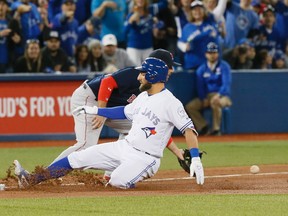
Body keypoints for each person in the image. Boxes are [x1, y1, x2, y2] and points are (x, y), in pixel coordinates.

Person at [14, 55, 204, 189]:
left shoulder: (171, 102)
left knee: (117, 182)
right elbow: (124, 111)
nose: (138, 76)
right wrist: (95, 109)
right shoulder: (144, 96)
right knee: (77, 158)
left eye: (143, 73)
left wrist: (194, 157)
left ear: (153, 76)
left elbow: (189, 129)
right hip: (125, 147)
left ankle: (123, 175)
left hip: (146, 158)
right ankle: (31, 179)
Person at [50, 49, 183, 165]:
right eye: (169, 66)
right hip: (89, 98)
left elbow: (150, 126)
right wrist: (102, 112)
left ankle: (111, 175)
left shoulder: (152, 88)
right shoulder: (135, 74)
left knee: (134, 129)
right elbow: (107, 82)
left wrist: (177, 151)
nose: (171, 69)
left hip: (107, 105)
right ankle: (45, 173)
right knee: (86, 145)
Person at [185, 42, 232, 136]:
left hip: (222, 96)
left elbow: (226, 84)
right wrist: (203, 98)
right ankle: (203, 127)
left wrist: (218, 95)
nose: (212, 55)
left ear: (218, 54)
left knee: (215, 102)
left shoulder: (224, 66)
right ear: (206, 54)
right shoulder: (201, 69)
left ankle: (216, 130)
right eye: (210, 53)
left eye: (214, 53)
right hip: (207, 96)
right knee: (190, 107)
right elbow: (200, 86)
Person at [177, 0, 228, 70]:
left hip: (211, 64)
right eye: (194, 10)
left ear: (204, 11)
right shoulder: (187, 27)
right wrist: (184, 47)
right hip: (193, 64)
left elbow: (221, 6)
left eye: (200, 9)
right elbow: (180, 42)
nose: (197, 12)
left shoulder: (211, 20)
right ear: (191, 12)